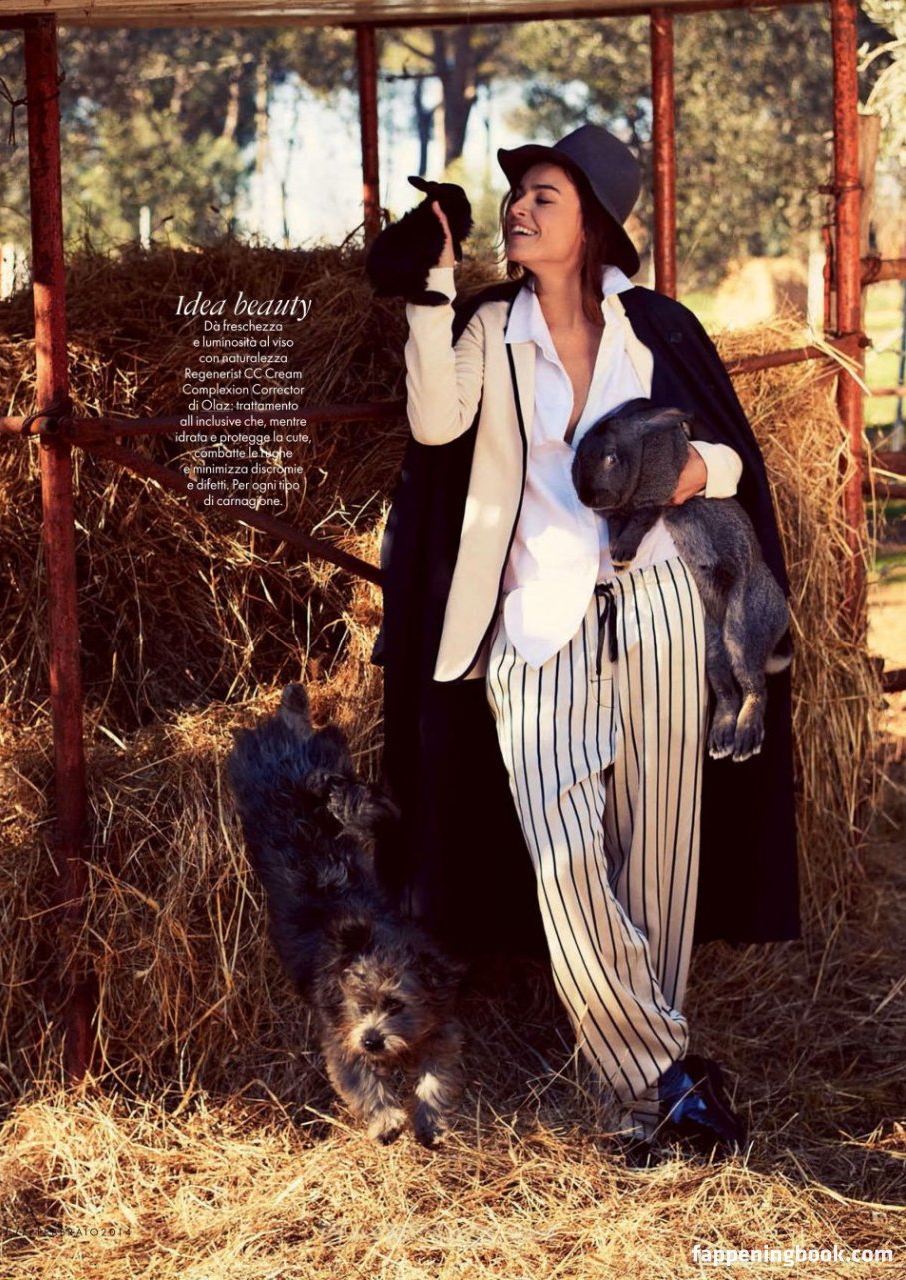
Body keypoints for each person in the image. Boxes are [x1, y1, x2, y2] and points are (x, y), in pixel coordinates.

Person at [374, 125, 798, 1160]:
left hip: (659, 609)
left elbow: (733, 462)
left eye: (543, 196)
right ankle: (666, 1072)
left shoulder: (655, 327)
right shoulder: (488, 326)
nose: (518, 208)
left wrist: (691, 471)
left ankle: (642, 1110)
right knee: (563, 860)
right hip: (534, 628)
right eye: (517, 194)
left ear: (593, 223)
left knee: (659, 858)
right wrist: (430, 286)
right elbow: (435, 426)